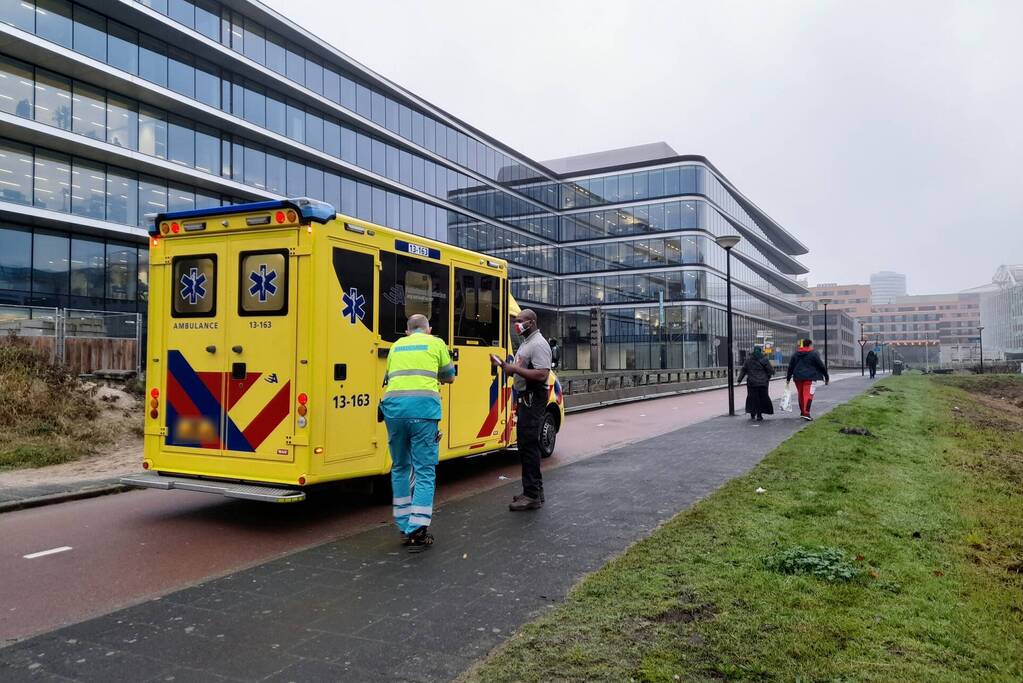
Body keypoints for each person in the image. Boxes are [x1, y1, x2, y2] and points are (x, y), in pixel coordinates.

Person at [381, 314, 456, 552]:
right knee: (424, 470)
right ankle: (418, 530)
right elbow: (449, 375)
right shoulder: (436, 343)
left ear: (407, 331)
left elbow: (389, 377)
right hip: (423, 412)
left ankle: (404, 527)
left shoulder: (395, 346)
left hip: (393, 412)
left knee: (400, 467)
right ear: (428, 329)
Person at [491, 309, 552, 511]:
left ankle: (532, 495)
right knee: (526, 445)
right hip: (527, 398)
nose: (517, 324)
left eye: (520, 321)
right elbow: (522, 369)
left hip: (533, 398)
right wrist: (506, 367)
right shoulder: (527, 343)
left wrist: (515, 369)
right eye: (516, 321)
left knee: (528, 446)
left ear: (531, 322)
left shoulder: (538, 344)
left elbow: (542, 375)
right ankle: (533, 491)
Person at [786, 338, 829, 421]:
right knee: (808, 394)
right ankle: (806, 413)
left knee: (801, 395)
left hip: (798, 377)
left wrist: (788, 378)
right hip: (810, 377)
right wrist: (826, 376)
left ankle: (802, 412)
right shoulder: (813, 354)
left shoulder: (795, 354)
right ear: (809, 345)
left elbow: (790, 367)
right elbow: (821, 366)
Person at [737, 346, 774, 421]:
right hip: (763, 383)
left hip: (752, 382)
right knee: (761, 398)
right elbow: (770, 370)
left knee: (752, 398)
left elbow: (743, 370)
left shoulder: (748, 360)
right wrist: (767, 378)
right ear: (760, 351)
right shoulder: (764, 359)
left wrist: (739, 380)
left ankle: (752, 413)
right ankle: (759, 415)